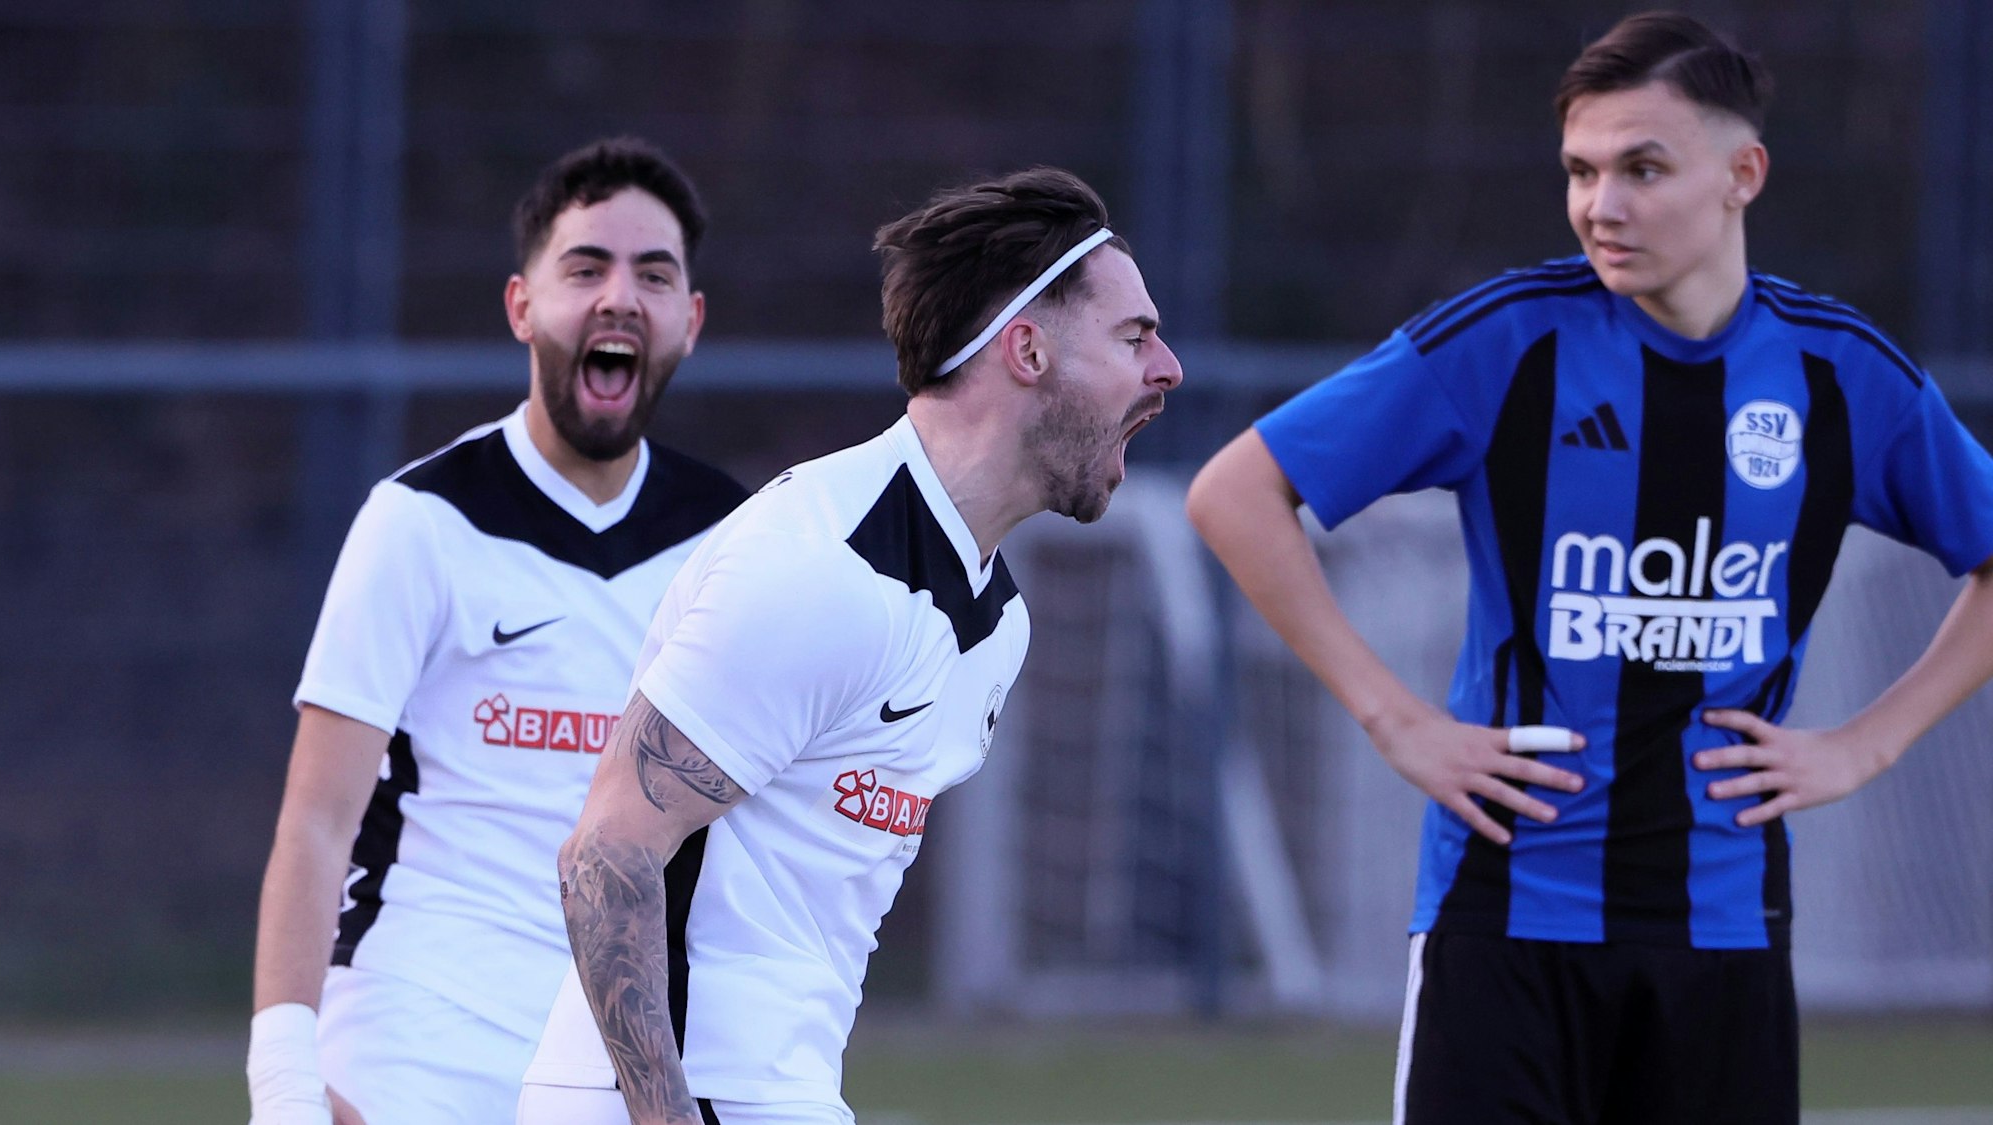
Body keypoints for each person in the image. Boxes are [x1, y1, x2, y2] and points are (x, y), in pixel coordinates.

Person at [1187, 12, 1993, 1125]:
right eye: (1579, 170)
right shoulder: (1505, 342)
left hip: (1723, 934)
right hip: (1501, 924)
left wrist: (1867, 742)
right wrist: (1396, 721)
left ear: (1739, 175)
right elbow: (1233, 493)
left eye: (1641, 169)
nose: (1600, 205)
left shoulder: (1839, 376)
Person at [515, 166, 1182, 1125]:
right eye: (1135, 336)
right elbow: (607, 853)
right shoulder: (819, 564)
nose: (1168, 367)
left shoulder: (997, 622)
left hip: (772, 1093)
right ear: (1028, 350)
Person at [246, 137, 748, 1125]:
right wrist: (285, 1087)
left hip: (621, 1052)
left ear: (687, 324)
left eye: (653, 275)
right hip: (414, 1028)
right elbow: (315, 822)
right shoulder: (420, 521)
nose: (618, 297)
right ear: (522, 307)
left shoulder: (734, 546)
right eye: (585, 267)